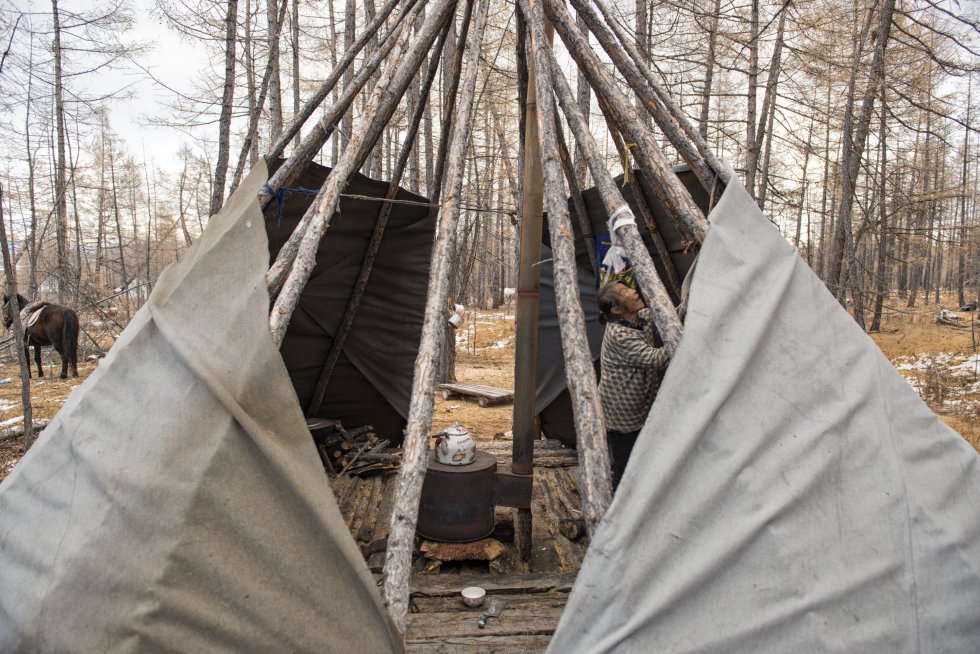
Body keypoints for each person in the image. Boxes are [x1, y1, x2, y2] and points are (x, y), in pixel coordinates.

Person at [596, 281, 670, 491]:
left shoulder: (642, 318)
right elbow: (657, 359)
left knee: (642, 458)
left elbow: (668, 317)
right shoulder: (619, 335)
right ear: (617, 310)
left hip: (642, 401)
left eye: (628, 288)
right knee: (624, 468)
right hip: (621, 412)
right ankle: (609, 516)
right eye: (625, 292)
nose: (634, 291)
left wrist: (687, 305)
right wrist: (684, 335)